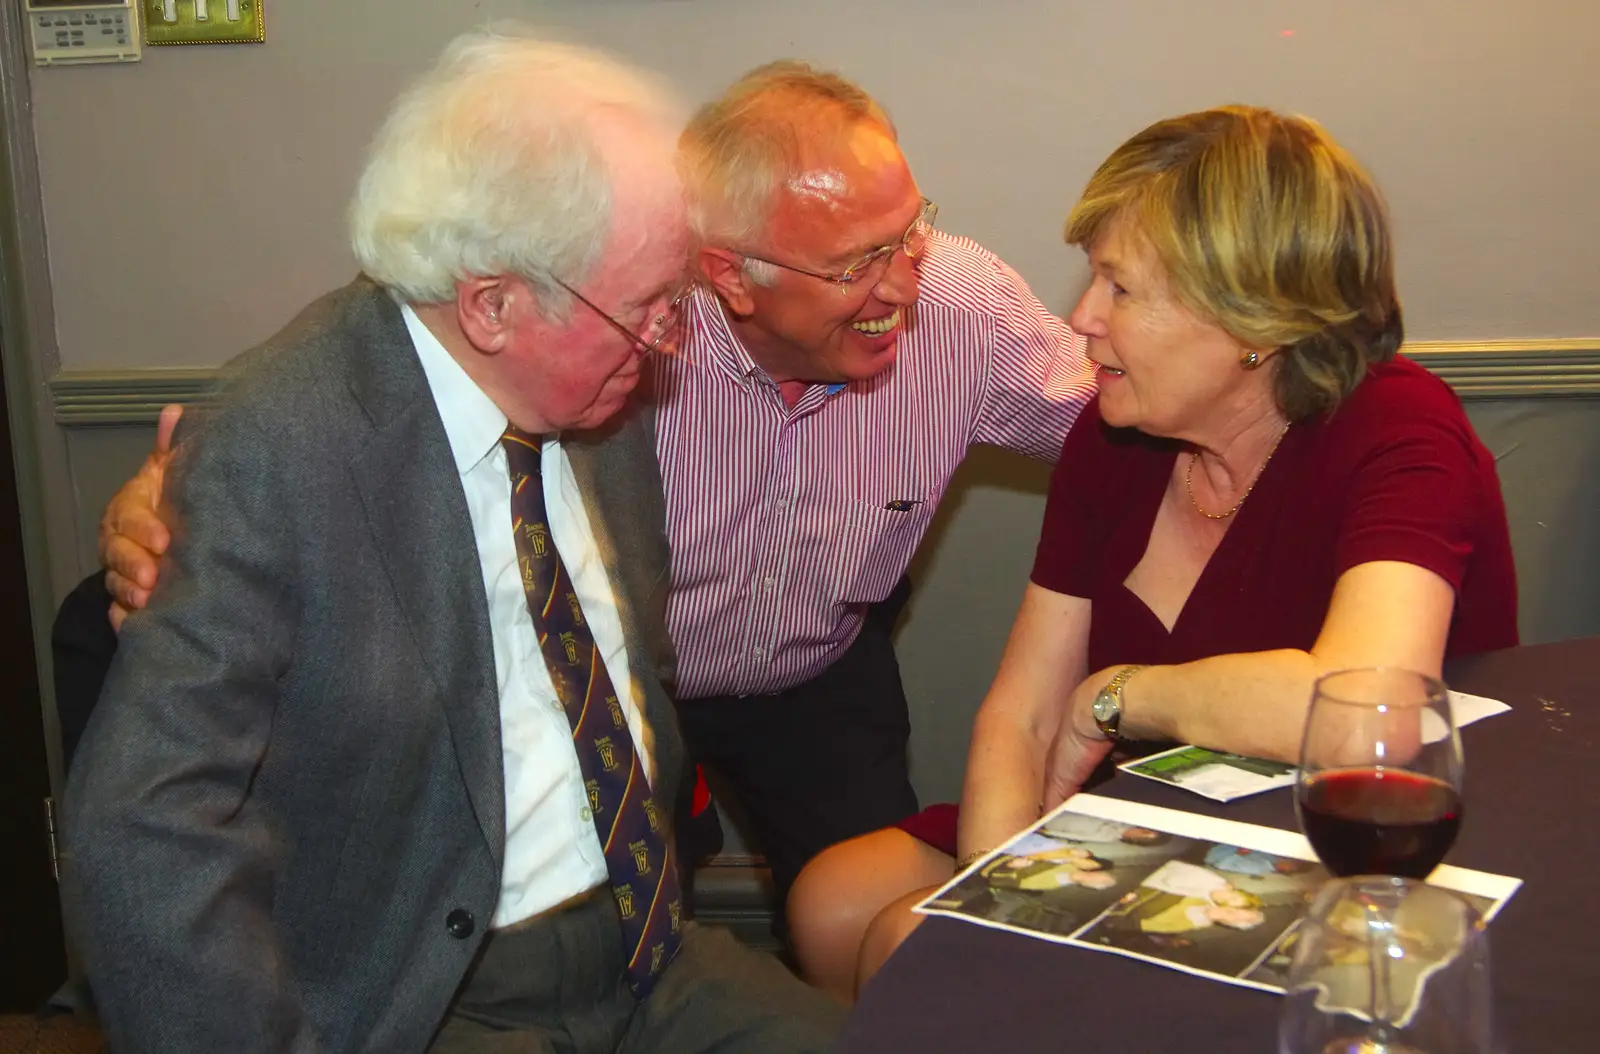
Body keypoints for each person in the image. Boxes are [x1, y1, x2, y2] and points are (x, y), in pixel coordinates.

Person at [96, 59, 1099, 918]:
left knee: (862, 915)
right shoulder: (620, 332)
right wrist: (172, 495)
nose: (902, 285)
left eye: (909, 232)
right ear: (730, 275)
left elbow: (1128, 427)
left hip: (822, 669)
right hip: (631, 676)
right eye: (856, 263)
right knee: (630, 926)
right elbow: (384, 367)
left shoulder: (961, 304)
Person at [61, 28, 842, 1053]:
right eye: (648, 310)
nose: (669, 343)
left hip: (647, 951)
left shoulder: (601, 383)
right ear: (491, 305)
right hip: (429, 994)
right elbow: (140, 825)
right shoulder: (283, 440)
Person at [786, 103, 1519, 1001]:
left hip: (1337, 835)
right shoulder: (1117, 432)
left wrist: (1117, 695)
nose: (1083, 318)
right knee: (829, 902)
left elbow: (1365, 715)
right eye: (1092, 278)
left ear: (1254, 321)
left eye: (1121, 289)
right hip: (1154, 806)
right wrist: (1002, 891)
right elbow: (1019, 716)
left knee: (908, 944)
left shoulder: (1396, 428)